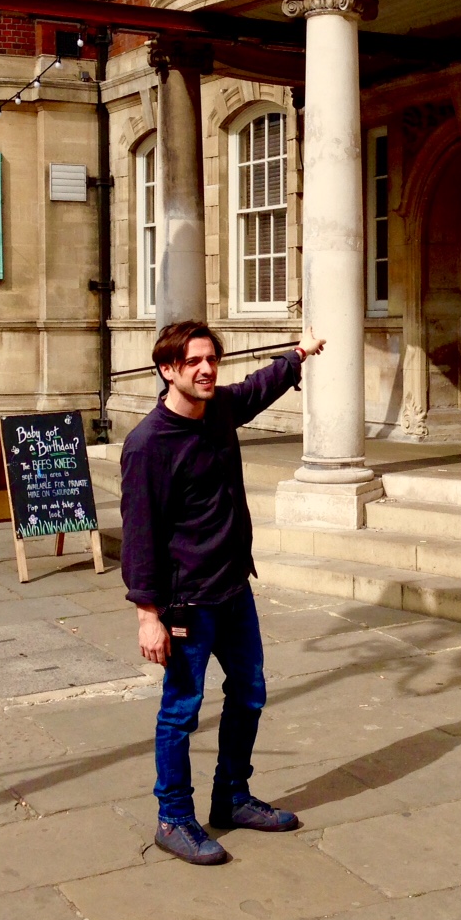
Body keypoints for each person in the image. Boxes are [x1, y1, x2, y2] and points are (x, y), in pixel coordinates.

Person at [119, 319, 327, 865]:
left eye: (212, 359)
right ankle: (173, 817)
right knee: (181, 711)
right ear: (168, 371)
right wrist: (148, 614)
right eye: (193, 362)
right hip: (187, 602)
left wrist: (298, 355)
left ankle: (231, 796)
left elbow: (260, 386)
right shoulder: (147, 445)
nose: (207, 369)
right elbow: (140, 535)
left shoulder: (221, 409)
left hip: (235, 589)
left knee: (251, 693)